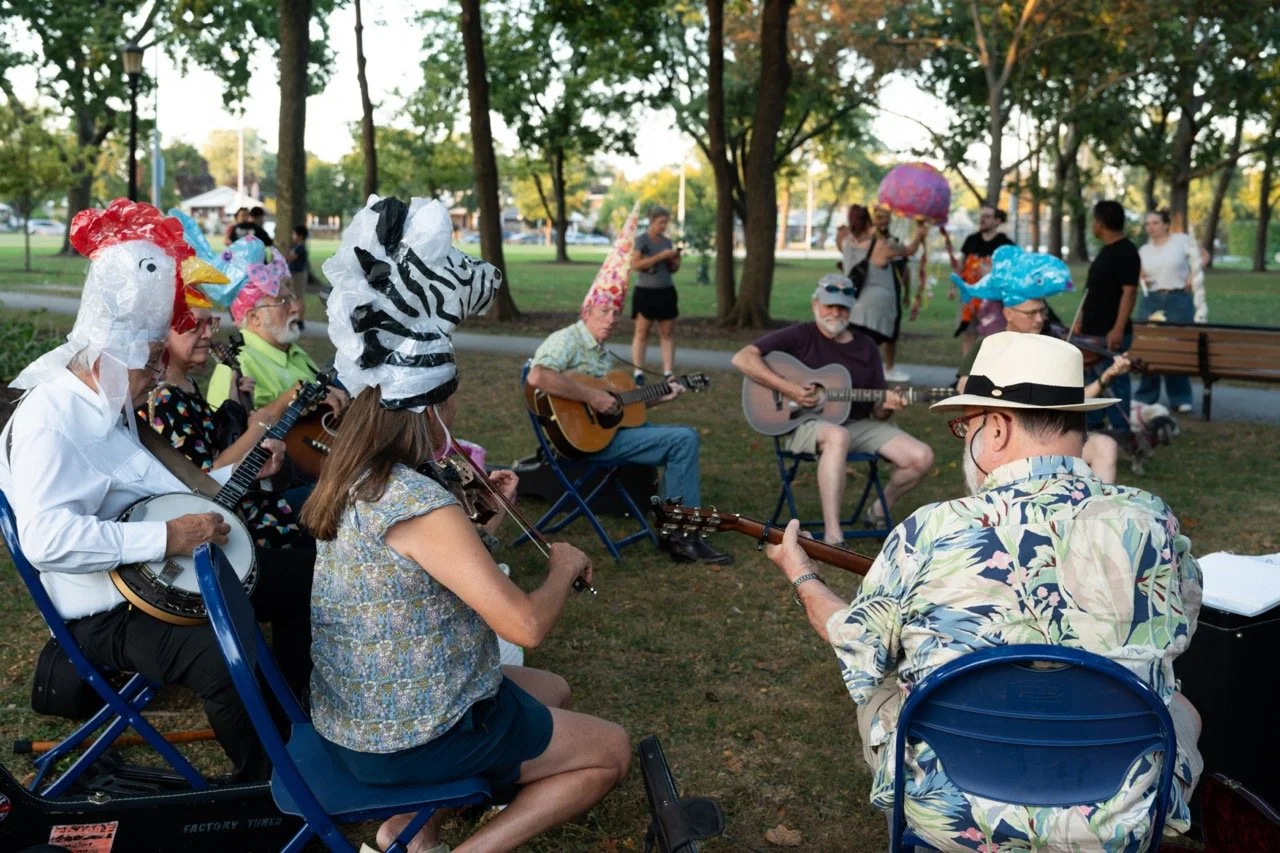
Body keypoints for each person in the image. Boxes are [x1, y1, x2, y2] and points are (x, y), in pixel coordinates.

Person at [765, 332, 1203, 851]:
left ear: (995, 428)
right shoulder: (1151, 520)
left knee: (885, 685)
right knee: (1182, 707)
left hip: (955, 812)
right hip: (1120, 815)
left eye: (963, 427)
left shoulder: (930, 529)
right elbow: (1180, 630)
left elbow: (859, 644)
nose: (964, 442)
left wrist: (803, 574)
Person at [304, 195, 629, 853]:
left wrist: (475, 518)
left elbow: (428, 570)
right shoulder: (417, 503)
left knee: (554, 688)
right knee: (609, 749)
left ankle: (408, 827)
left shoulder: (357, 472)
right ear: (431, 399)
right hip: (401, 736)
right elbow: (525, 625)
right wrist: (562, 567)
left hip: (357, 712)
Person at [0, 199, 302, 782]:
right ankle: (266, 791)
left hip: (166, 575)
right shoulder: (50, 419)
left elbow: (169, 491)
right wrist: (166, 537)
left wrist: (227, 480)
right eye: (145, 367)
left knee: (303, 572)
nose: (153, 380)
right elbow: (45, 539)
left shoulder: (112, 405)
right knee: (220, 654)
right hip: (108, 608)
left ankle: (296, 713)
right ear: (106, 361)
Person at [527, 208, 731, 565]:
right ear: (585, 311)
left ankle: (675, 527)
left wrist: (662, 396)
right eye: (602, 313)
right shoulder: (568, 340)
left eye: (614, 314)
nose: (609, 321)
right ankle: (682, 535)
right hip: (582, 443)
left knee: (672, 435)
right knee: (684, 440)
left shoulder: (603, 353)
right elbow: (537, 377)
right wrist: (592, 396)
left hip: (605, 435)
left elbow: (621, 405)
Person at [731, 276, 934, 544]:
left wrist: (887, 406)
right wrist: (789, 389)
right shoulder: (800, 334)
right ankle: (833, 534)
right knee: (837, 435)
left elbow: (878, 411)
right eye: (829, 306)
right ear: (816, 304)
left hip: (856, 424)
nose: (835, 313)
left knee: (922, 457)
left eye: (842, 308)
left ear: (851, 309)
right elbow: (742, 357)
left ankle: (876, 511)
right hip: (801, 423)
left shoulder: (866, 346)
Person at [952, 245, 1132, 483]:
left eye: (1042, 312)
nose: (1039, 319)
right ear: (1008, 313)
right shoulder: (990, 346)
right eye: (1031, 313)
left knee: (1105, 446)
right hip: (1009, 439)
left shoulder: (1050, 348)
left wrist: (1106, 375)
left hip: (1051, 437)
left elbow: (1075, 400)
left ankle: (1092, 511)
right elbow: (964, 389)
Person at [205, 254, 347, 416]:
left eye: (291, 299)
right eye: (283, 302)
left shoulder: (293, 352)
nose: (295, 308)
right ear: (254, 317)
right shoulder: (235, 365)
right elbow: (232, 434)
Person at [1073, 200, 1139, 432]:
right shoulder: (1106, 251)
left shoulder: (1126, 251)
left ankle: (1121, 430)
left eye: (1094, 220)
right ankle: (1093, 426)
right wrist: (1081, 319)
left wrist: (1118, 327)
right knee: (1093, 381)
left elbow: (1129, 292)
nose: (1093, 225)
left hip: (1110, 332)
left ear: (1100, 224)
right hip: (1091, 332)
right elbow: (1092, 291)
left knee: (1116, 382)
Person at [843, 204, 927, 383]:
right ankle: (868, 377)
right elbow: (910, 250)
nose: (883, 221)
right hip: (875, 308)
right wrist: (919, 233)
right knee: (871, 346)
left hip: (854, 303)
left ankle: (859, 375)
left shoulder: (846, 241)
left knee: (858, 345)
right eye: (879, 217)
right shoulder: (882, 245)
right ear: (870, 222)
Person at [1136, 209, 1198, 413]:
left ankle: (1180, 397)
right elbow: (1141, 272)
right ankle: (1147, 395)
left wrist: (1193, 276)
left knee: (1176, 348)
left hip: (1177, 297)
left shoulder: (1181, 241)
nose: (1151, 227)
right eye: (1147, 224)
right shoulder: (1144, 250)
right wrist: (1142, 278)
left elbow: (1202, 256)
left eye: (1155, 222)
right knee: (1149, 347)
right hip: (1151, 299)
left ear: (1165, 224)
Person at [943, 203, 1013, 354]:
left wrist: (992, 272)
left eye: (987, 217)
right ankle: (966, 376)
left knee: (993, 336)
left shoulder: (1004, 243)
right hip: (969, 297)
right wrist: (953, 287)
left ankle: (989, 373)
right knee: (968, 333)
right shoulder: (971, 240)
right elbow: (960, 265)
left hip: (992, 300)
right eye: (981, 216)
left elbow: (1012, 270)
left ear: (997, 221)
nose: (982, 220)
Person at [629, 204, 681, 383]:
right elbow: (635, 265)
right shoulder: (641, 241)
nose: (664, 226)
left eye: (666, 223)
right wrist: (661, 256)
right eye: (661, 222)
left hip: (666, 291)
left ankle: (668, 372)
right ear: (652, 221)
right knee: (642, 333)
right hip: (646, 292)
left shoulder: (667, 242)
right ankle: (638, 372)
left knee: (667, 333)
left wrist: (675, 260)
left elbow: (671, 269)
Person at [284, 224, 311, 328]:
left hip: (298, 275)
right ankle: (298, 318)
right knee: (296, 296)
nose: (293, 236)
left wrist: (285, 248)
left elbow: (289, 258)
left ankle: (300, 320)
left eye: (294, 234)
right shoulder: (298, 247)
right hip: (295, 274)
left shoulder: (300, 248)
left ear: (300, 236)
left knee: (299, 297)